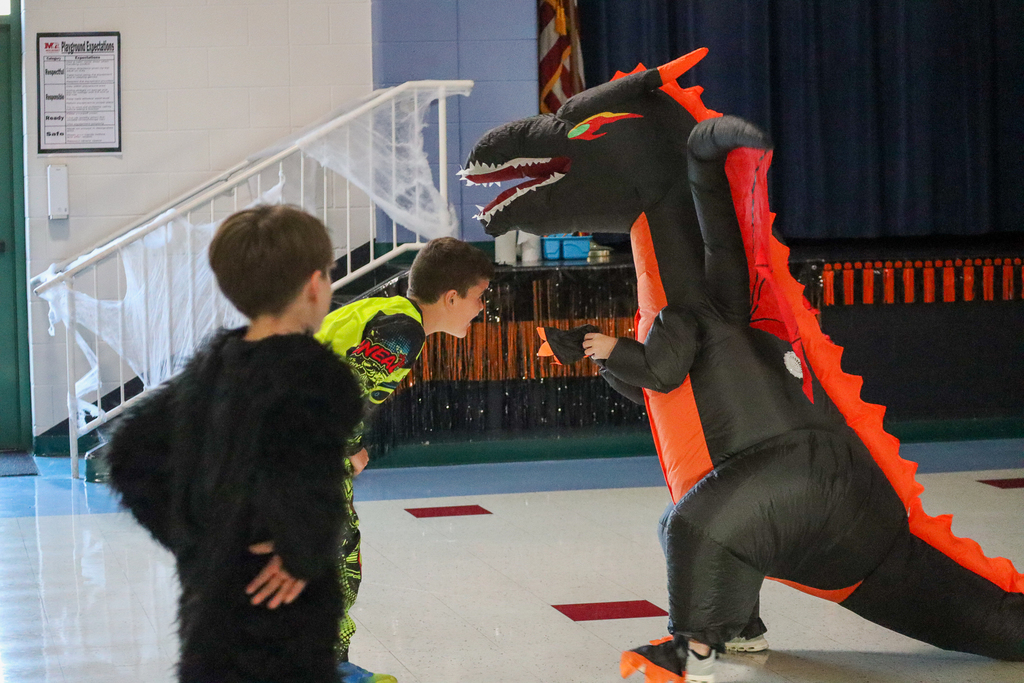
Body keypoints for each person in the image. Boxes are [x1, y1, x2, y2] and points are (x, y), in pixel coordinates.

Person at [107, 205, 364, 683]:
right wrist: (302, 551)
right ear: (315, 285)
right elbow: (305, 475)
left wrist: (195, 536)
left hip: (212, 595)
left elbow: (129, 455)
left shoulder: (211, 368)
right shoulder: (317, 376)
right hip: (283, 608)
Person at [316, 236, 494, 683]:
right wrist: (345, 448)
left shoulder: (384, 311)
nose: (481, 309)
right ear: (452, 297)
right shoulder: (402, 332)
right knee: (337, 563)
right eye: (479, 298)